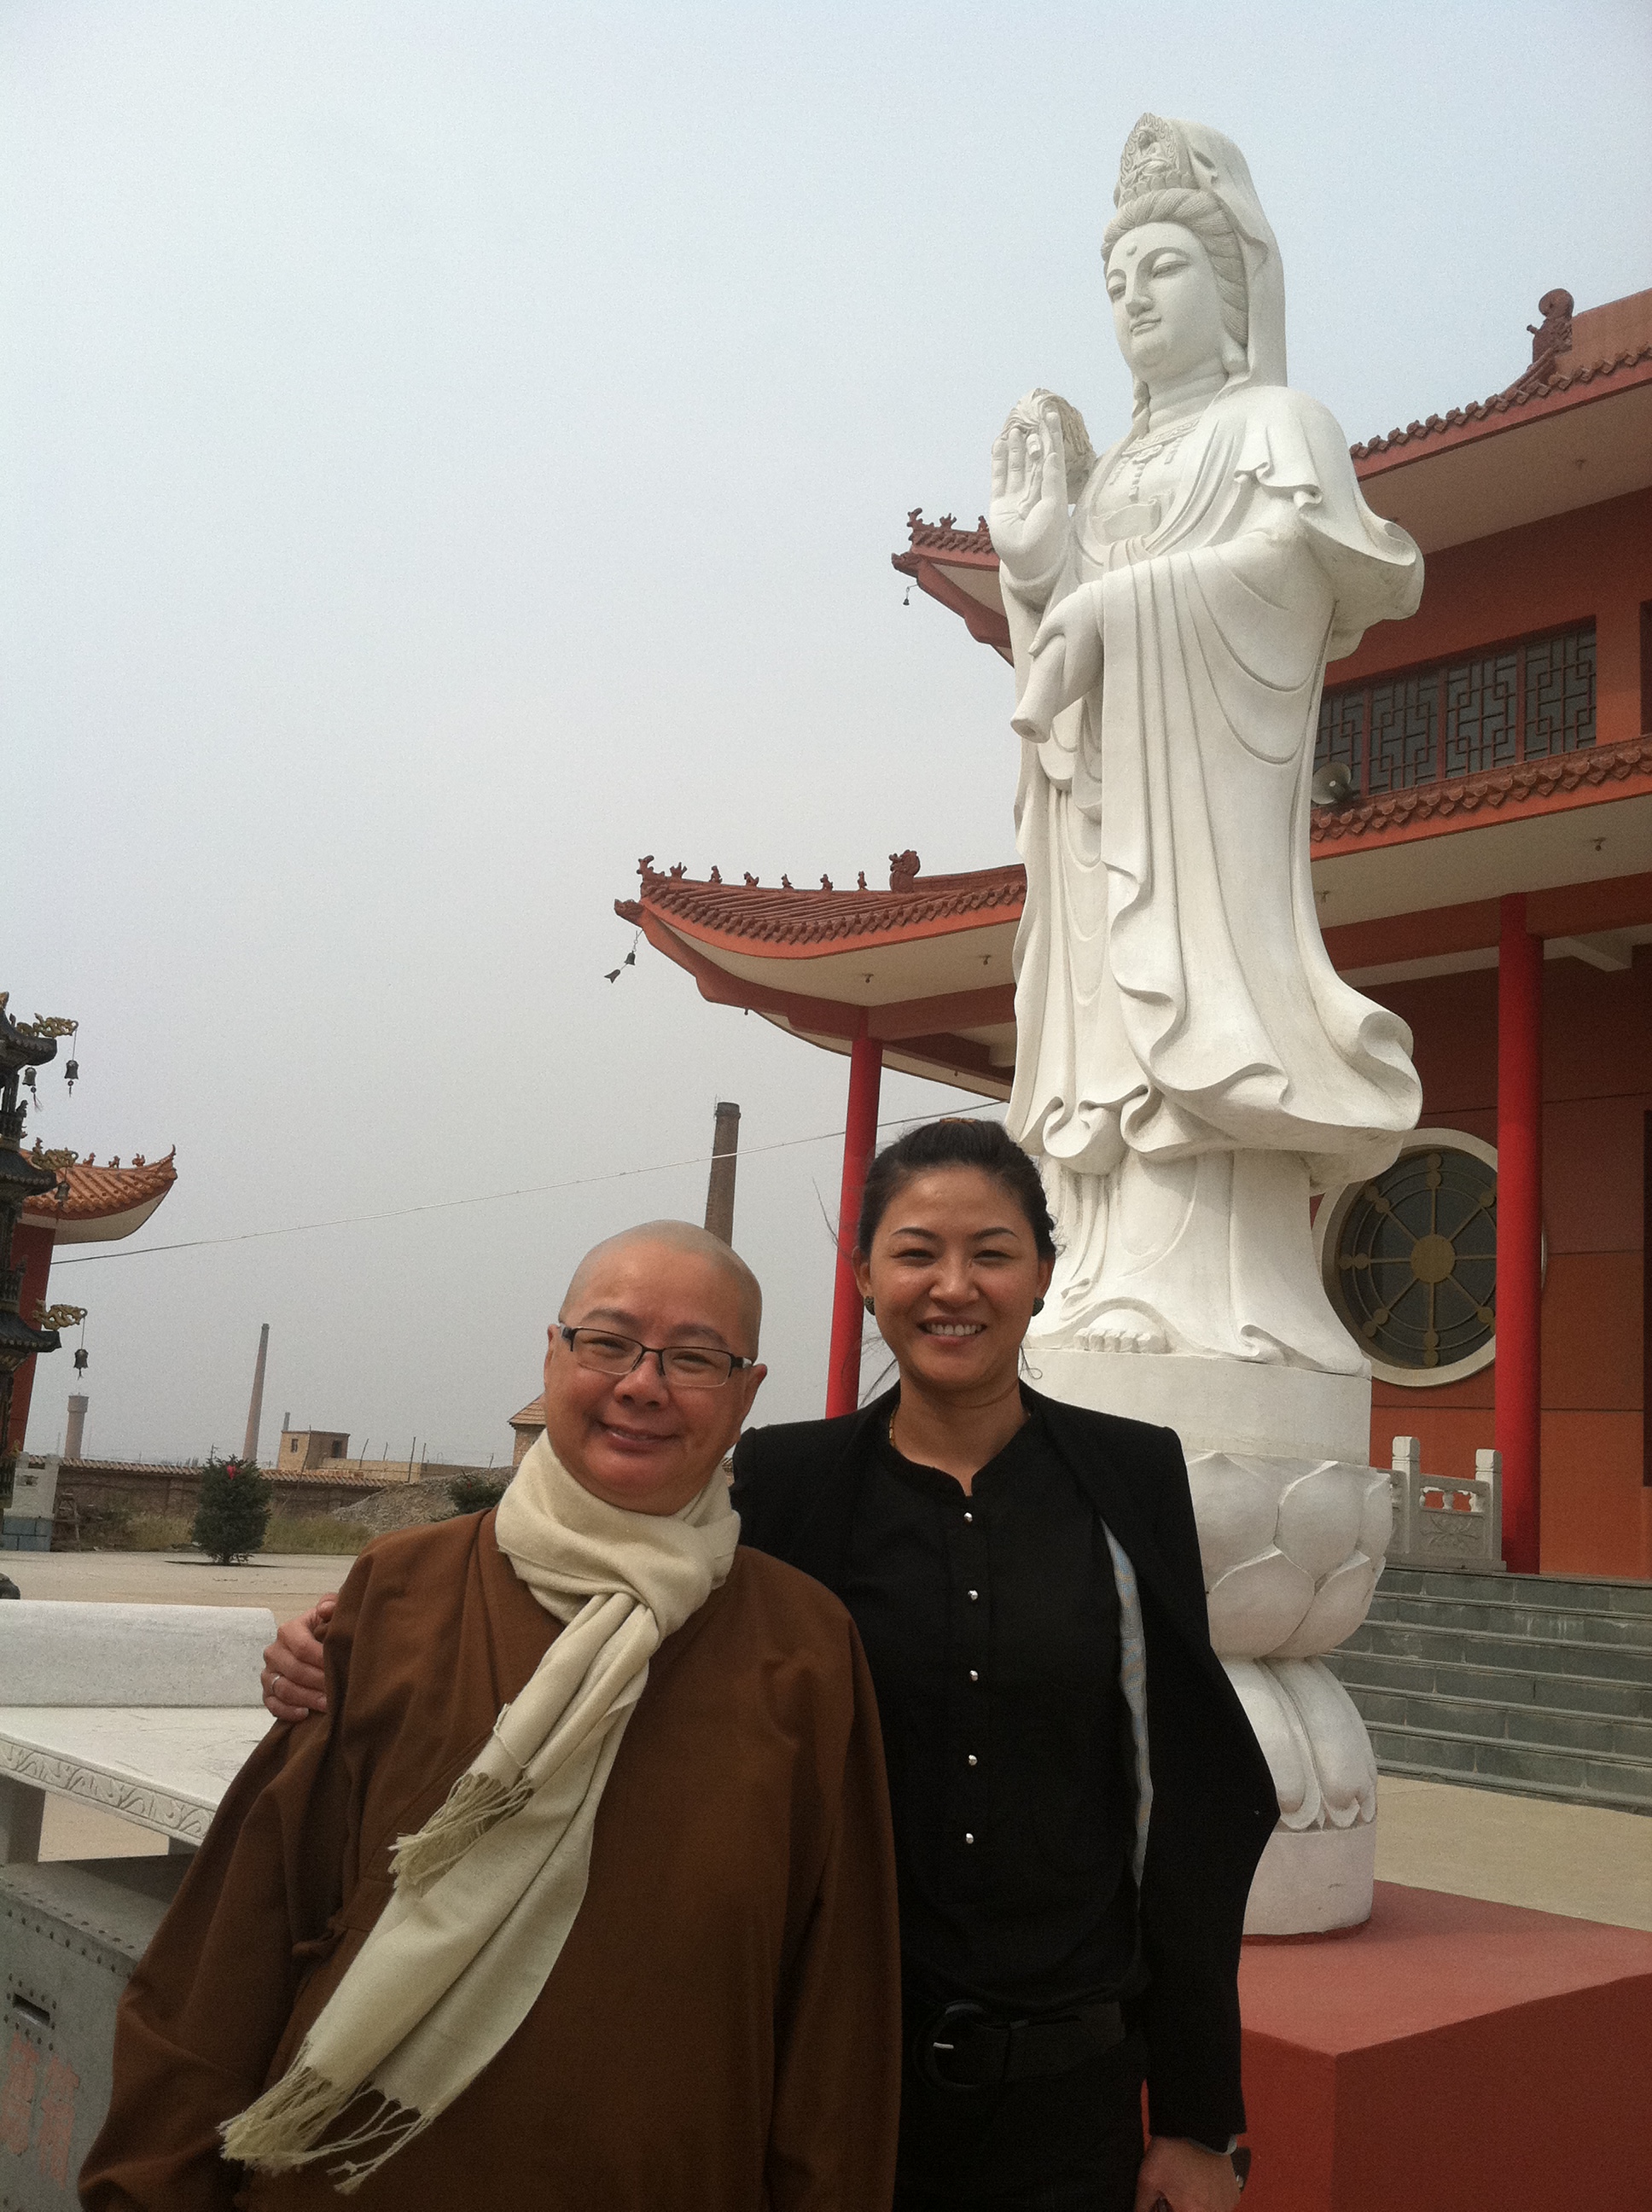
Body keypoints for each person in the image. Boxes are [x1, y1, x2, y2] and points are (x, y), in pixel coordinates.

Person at [265, 1123, 1277, 2212]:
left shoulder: (1127, 1475)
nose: (953, 1287)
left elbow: (1189, 1798)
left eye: (991, 1253)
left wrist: (1197, 2114)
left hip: (1067, 2094)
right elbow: (616, 1601)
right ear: (865, 1279)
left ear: (1041, 1274)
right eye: (915, 1253)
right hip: (827, 2069)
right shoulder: (790, 1482)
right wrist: (355, 1639)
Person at [82, 1222, 901, 2211]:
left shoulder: (802, 1645)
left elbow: (836, 2005)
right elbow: (243, 1931)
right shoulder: (400, 1590)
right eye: (607, 1343)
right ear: (552, 1356)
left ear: (746, 1394)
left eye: (694, 1359)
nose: (642, 1385)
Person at [990, 114, 1422, 1363]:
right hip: (1102, 803)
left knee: (1188, 1010)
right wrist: (1040, 566)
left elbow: (1290, 569)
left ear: (1232, 291)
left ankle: (1205, 1288)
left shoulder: (1276, 422)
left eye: (1165, 266)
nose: (1134, 297)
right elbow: (1063, 650)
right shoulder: (1119, 462)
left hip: (1202, 805)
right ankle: (1098, 1272)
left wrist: (1118, 607)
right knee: (1100, 1024)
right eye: (1117, 279)